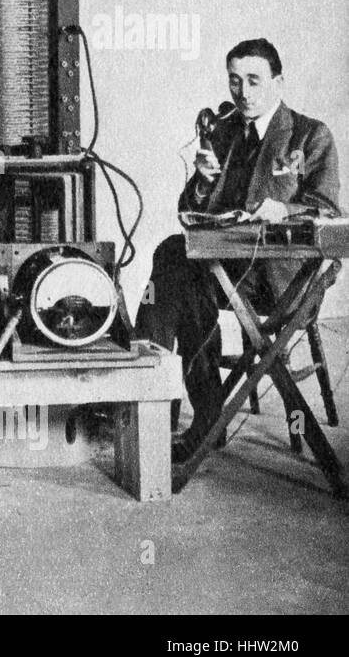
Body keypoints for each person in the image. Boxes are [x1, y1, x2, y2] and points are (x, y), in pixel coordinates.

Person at [134, 39, 341, 462]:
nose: (243, 92)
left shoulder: (309, 135)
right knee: (177, 257)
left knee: (178, 267)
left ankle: (154, 397)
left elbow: (329, 211)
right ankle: (165, 398)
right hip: (226, 271)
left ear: (278, 83)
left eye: (253, 80)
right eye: (234, 81)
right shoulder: (224, 132)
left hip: (281, 279)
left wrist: (284, 209)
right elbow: (190, 216)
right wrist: (202, 182)